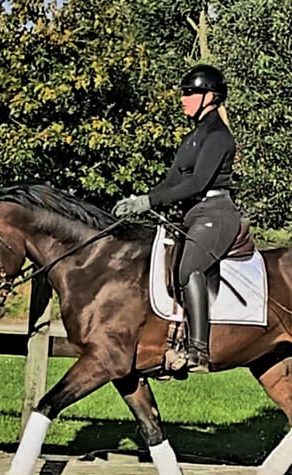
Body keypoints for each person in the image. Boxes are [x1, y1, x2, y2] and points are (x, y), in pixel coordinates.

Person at [114, 64, 242, 373]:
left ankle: (198, 350)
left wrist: (150, 201)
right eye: (184, 93)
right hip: (194, 214)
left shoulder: (218, 136)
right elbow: (173, 181)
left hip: (216, 214)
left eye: (190, 93)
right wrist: (140, 201)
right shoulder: (194, 136)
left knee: (189, 267)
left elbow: (197, 183)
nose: (183, 98)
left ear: (210, 97)